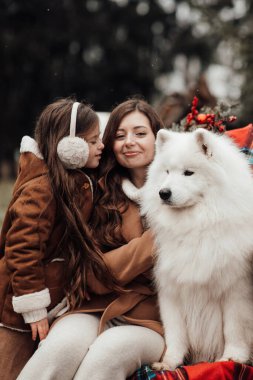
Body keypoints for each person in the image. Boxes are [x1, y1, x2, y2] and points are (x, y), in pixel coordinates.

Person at [17, 98, 165, 380]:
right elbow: (92, 272)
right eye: (120, 136)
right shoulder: (98, 193)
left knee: (105, 357)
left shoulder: (185, 191)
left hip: (153, 320)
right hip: (95, 306)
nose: (129, 142)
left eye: (140, 133)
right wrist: (154, 243)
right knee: (60, 348)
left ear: (159, 138)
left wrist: (120, 261)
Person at [0, 97, 111, 380]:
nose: (101, 146)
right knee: (10, 369)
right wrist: (34, 307)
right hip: (17, 310)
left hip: (47, 303)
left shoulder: (72, 180)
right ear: (69, 146)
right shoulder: (43, 188)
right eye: (93, 140)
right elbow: (23, 246)